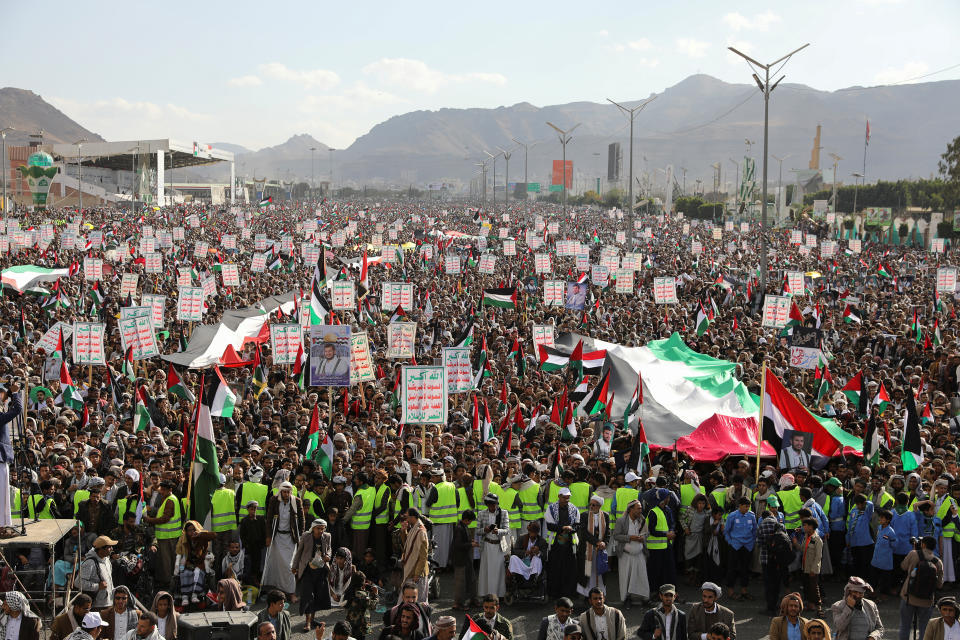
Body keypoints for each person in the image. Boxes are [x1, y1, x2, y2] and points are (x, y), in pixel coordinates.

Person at [263, 481, 305, 598]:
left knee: (289, 566)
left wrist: (300, 536)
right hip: (277, 537)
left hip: (290, 538)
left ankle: (291, 592)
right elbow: (269, 519)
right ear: (280, 491)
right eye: (284, 492)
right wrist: (268, 536)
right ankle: (277, 589)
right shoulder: (274, 500)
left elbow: (301, 520)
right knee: (276, 564)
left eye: (288, 492)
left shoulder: (296, 501)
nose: (286, 494)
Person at [899, 536, 944, 640]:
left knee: (905, 626)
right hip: (927, 601)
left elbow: (903, 566)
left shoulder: (913, 554)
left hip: (908, 597)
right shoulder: (938, 562)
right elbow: (939, 585)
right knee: (925, 627)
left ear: (923, 544)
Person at [142, 480, 181, 592]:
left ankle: (168, 584)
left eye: (164, 490)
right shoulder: (168, 499)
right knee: (167, 561)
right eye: (161, 489)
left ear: (170, 490)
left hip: (168, 536)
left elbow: (165, 518)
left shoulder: (170, 500)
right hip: (167, 535)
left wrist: (149, 520)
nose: (161, 492)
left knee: (167, 561)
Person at [294, 518, 332, 627]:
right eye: (318, 528)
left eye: (322, 528)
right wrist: (295, 566)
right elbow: (299, 552)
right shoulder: (306, 536)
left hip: (320, 570)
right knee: (307, 596)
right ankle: (307, 622)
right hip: (307, 570)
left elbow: (329, 549)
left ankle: (312, 619)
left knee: (317, 595)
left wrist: (328, 556)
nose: (320, 531)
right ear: (313, 528)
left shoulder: (327, 536)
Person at [613, 500, 648, 609]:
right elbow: (616, 536)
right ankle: (626, 599)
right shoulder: (621, 521)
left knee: (642, 577)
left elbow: (647, 533)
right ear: (631, 509)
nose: (640, 510)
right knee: (626, 578)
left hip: (639, 554)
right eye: (638, 508)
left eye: (641, 508)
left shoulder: (642, 520)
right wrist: (630, 538)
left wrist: (643, 538)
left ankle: (645, 599)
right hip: (626, 555)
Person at [174, 519, 217, 607]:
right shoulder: (183, 539)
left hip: (200, 563)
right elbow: (180, 554)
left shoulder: (202, 537)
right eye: (189, 530)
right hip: (188, 563)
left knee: (198, 572)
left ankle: (195, 594)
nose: (192, 532)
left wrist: (200, 534)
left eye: (193, 529)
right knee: (185, 573)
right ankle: (185, 597)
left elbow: (213, 535)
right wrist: (181, 566)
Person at [722, 497, 756, 602]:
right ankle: (731, 591)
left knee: (745, 569)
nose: (747, 508)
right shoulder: (732, 516)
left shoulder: (751, 516)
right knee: (732, 568)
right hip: (735, 545)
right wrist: (730, 542)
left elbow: (754, 530)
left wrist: (752, 542)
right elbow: (726, 531)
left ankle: (744, 591)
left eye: (748, 506)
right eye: (745, 506)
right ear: (740, 505)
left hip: (748, 546)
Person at [476, 494, 509, 598]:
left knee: (498, 571)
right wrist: (484, 530)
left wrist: (498, 531)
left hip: (498, 546)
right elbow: (477, 531)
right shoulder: (481, 514)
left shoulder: (503, 513)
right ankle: (486, 593)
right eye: (490, 505)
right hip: (487, 545)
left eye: (494, 505)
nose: (492, 507)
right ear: (487, 504)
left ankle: (499, 594)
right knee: (486, 571)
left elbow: (507, 530)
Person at [577, 494, 609, 598]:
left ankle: (600, 595)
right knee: (588, 572)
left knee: (599, 572)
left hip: (599, 549)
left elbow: (607, 533)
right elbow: (584, 533)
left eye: (594, 505)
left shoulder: (606, 516)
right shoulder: (584, 515)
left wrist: (604, 543)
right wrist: (597, 542)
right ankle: (588, 595)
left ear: (599, 506)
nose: (591, 507)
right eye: (590, 504)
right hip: (587, 549)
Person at [646, 489, 676, 597]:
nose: (669, 499)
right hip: (655, 548)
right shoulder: (653, 512)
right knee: (655, 572)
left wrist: (672, 530)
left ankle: (667, 592)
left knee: (667, 570)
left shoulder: (668, 509)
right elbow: (651, 530)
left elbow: (672, 523)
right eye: (667, 497)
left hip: (666, 546)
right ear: (663, 499)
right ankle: (654, 592)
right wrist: (666, 535)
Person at [400, 508, 430, 603]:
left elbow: (423, 556)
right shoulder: (414, 528)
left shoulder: (421, 531)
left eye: (407, 517)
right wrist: (404, 531)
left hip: (417, 573)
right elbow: (408, 546)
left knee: (418, 603)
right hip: (411, 570)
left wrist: (417, 574)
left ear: (413, 517)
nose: (406, 519)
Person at [79, 536, 117, 609]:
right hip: (96, 606)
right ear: (100, 550)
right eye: (109, 547)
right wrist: (97, 586)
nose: (112, 549)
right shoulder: (90, 563)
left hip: (109, 603)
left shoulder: (107, 560)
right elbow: (78, 583)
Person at [452, 509, 479, 609]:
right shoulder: (459, 528)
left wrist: (470, 541)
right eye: (470, 521)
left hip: (466, 559)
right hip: (461, 560)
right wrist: (470, 544)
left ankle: (472, 599)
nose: (471, 523)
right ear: (467, 520)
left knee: (471, 579)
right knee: (461, 583)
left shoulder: (463, 526)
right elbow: (458, 544)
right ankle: (459, 603)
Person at [870, 509, 897, 599]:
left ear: (888, 520)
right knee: (874, 576)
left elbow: (894, 544)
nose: (880, 519)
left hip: (885, 559)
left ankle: (883, 594)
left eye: (882, 518)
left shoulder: (890, 532)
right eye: (880, 517)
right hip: (876, 557)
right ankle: (872, 592)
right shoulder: (879, 528)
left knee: (885, 578)